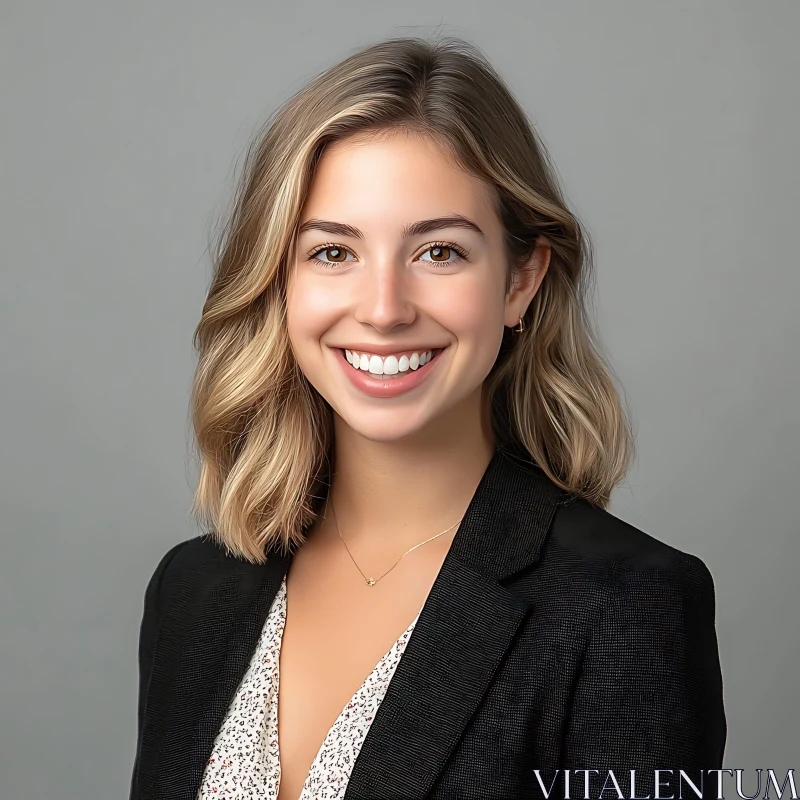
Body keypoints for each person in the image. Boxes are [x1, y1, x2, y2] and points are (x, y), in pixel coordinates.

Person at [129, 36, 727, 800]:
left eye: (439, 252)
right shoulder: (192, 589)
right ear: (278, 282)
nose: (383, 310)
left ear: (520, 281)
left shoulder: (626, 607)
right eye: (333, 254)